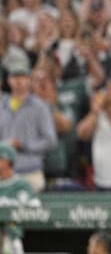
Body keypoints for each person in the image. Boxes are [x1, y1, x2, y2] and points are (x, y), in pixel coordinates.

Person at [0, 59, 57, 192]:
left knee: (33, 212)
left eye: (22, 76)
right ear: (8, 80)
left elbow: (50, 141)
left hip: (31, 172)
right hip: (3, 174)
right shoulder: (2, 105)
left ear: (29, 80)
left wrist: (24, 145)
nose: (18, 80)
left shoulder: (40, 107)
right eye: (14, 76)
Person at [0, 142, 40, 254]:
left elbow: (33, 204)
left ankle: (13, 245)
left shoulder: (21, 184)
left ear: (8, 161)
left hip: (14, 229)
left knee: (11, 224)